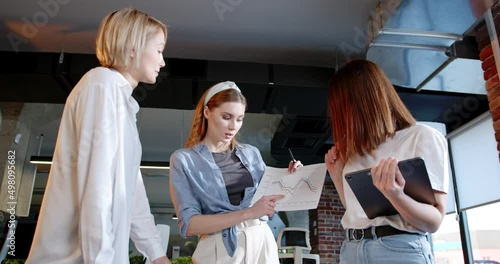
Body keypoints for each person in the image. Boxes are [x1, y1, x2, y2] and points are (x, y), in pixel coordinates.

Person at [26, 7, 171, 264]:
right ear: (132, 48)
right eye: (159, 50)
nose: (162, 61)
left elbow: (131, 191)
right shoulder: (101, 84)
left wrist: (157, 254)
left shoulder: (122, 102)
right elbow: (98, 185)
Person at [324, 59, 449, 264]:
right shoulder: (355, 150)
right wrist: (337, 174)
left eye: (346, 109)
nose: (344, 120)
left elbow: (433, 222)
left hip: (397, 249)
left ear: (367, 103)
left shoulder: (422, 137)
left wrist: (396, 195)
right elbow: (358, 212)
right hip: (351, 249)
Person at [169, 81, 302, 264]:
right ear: (207, 112)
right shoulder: (184, 160)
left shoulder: (251, 153)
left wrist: (288, 178)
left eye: (239, 119)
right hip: (220, 251)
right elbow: (189, 225)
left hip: (262, 245)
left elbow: (270, 204)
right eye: (226, 117)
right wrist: (248, 213)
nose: (233, 126)